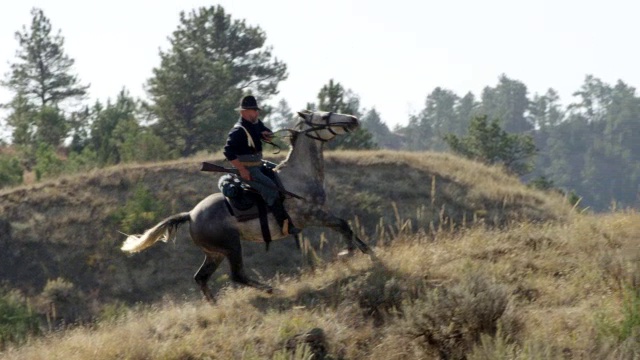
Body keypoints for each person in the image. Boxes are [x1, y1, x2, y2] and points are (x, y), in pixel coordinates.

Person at [223, 95, 301, 236]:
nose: (257, 113)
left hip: (259, 164)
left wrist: (268, 135)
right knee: (271, 189)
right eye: (254, 110)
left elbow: (265, 132)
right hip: (248, 169)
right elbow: (228, 151)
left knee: (281, 174)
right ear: (244, 112)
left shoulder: (255, 123)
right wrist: (242, 170)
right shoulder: (238, 131)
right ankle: (285, 226)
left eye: (256, 110)